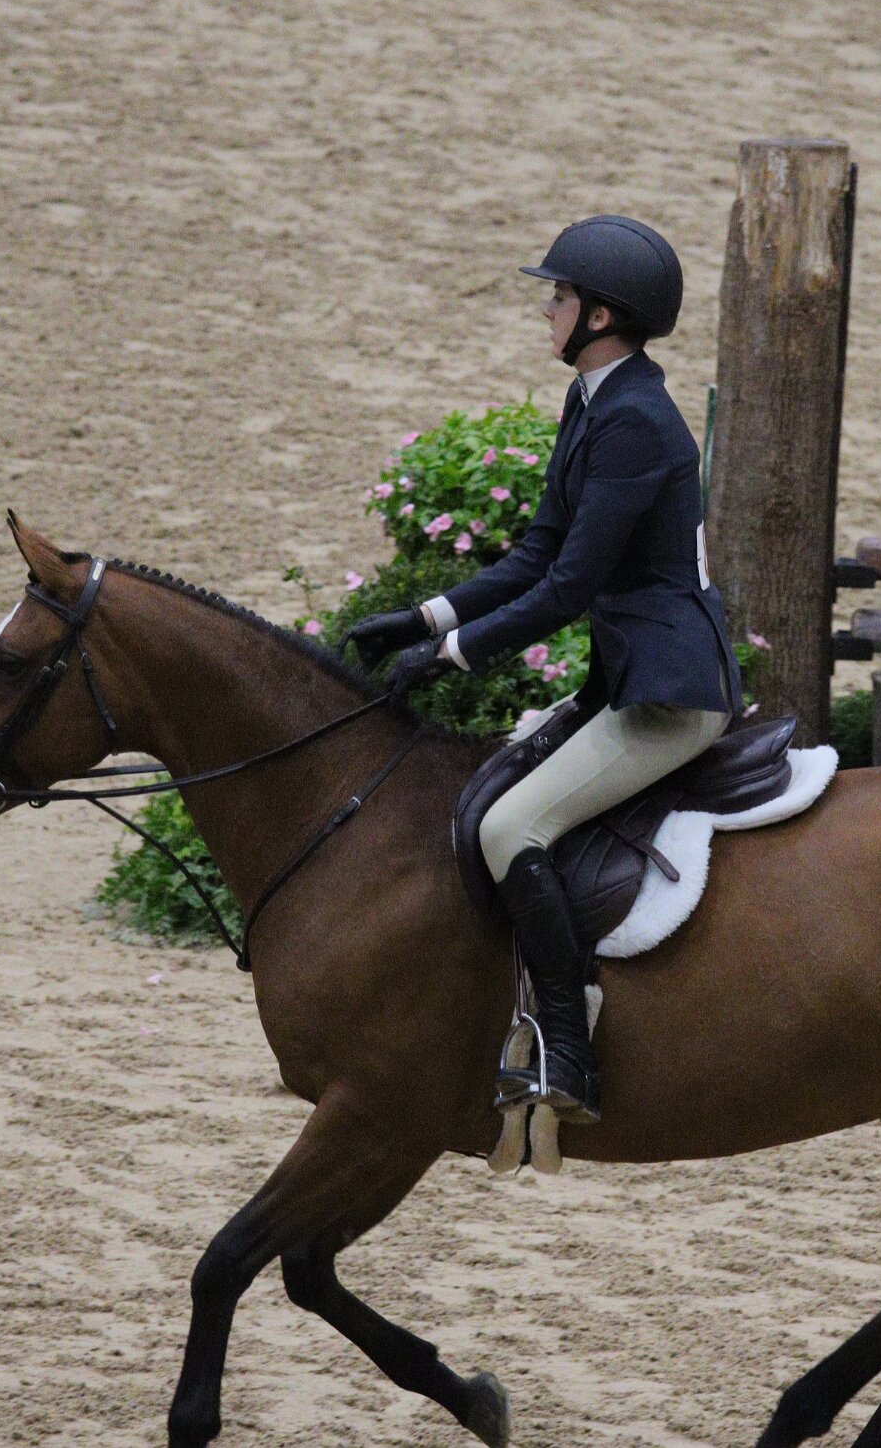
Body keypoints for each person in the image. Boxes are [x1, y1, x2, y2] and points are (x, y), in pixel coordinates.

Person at [348, 215, 739, 1123]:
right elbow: (537, 553)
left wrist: (450, 658)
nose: (546, 310)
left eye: (557, 297)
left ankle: (569, 1050)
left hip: (670, 693)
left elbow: (568, 588)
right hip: (628, 674)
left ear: (600, 315)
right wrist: (425, 616)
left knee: (511, 826)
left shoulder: (634, 421)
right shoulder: (595, 400)